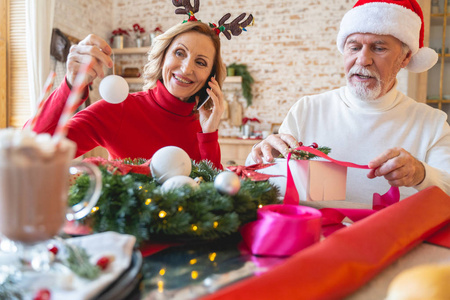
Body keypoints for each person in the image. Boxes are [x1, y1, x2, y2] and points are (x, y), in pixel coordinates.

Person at [250, 0, 450, 202]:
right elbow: (263, 185)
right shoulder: (307, 110)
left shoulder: (431, 123)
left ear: (405, 58)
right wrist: (261, 155)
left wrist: (421, 174)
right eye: (354, 47)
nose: (363, 60)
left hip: (399, 233)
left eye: (379, 48)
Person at [29, 14, 242, 169]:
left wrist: (209, 134)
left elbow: (215, 196)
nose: (186, 68)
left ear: (210, 77)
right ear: (163, 57)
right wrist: (70, 86)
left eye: (201, 62)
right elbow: (32, 153)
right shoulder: (119, 109)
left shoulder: (203, 123)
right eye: (179, 53)